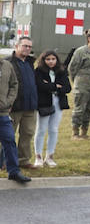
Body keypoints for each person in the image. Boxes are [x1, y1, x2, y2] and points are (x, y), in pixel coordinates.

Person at [32, 50, 71, 168]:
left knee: (53, 129)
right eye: (48, 59)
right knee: (41, 129)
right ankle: (38, 156)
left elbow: (67, 88)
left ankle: (49, 156)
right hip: (44, 103)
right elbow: (40, 85)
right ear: (43, 60)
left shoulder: (62, 71)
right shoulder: (38, 71)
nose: (51, 61)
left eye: (53, 59)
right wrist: (56, 86)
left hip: (58, 102)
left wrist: (52, 87)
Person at [67, 29, 90, 139]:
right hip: (83, 86)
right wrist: (77, 81)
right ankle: (75, 132)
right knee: (79, 109)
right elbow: (72, 68)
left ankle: (84, 132)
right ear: (89, 39)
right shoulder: (81, 51)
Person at [1, 50, 30, 183]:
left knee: (10, 140)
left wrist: (9, 101)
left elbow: (14, 84)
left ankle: (13, 171)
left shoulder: (6, 65)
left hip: (3, 113)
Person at [9, 37, 38, 167]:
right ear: (17, 46)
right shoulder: (7, 63)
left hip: (30, 106)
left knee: (27, 133)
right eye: (25, 46)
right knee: (8, 135)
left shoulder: (30, 63)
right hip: (13, 106)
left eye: (29, 47)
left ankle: (23, 160)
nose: (27, 49)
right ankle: (4, 160)